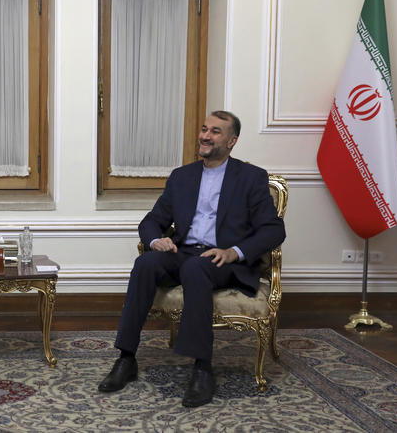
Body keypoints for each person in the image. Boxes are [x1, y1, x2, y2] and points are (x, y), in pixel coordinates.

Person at [97, 110, 285, 407]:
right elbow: (151, 221)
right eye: (204, 128)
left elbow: (274, 230)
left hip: (223, 261)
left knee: (198, 267)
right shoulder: (182, 177)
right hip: (183, 252)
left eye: (215, 132)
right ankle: (126, 358)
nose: (205, 136)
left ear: (232, 141)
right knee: (145, 263)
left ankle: (202, 368)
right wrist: (157, 240)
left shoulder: (251, 178)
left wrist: (232, 252)